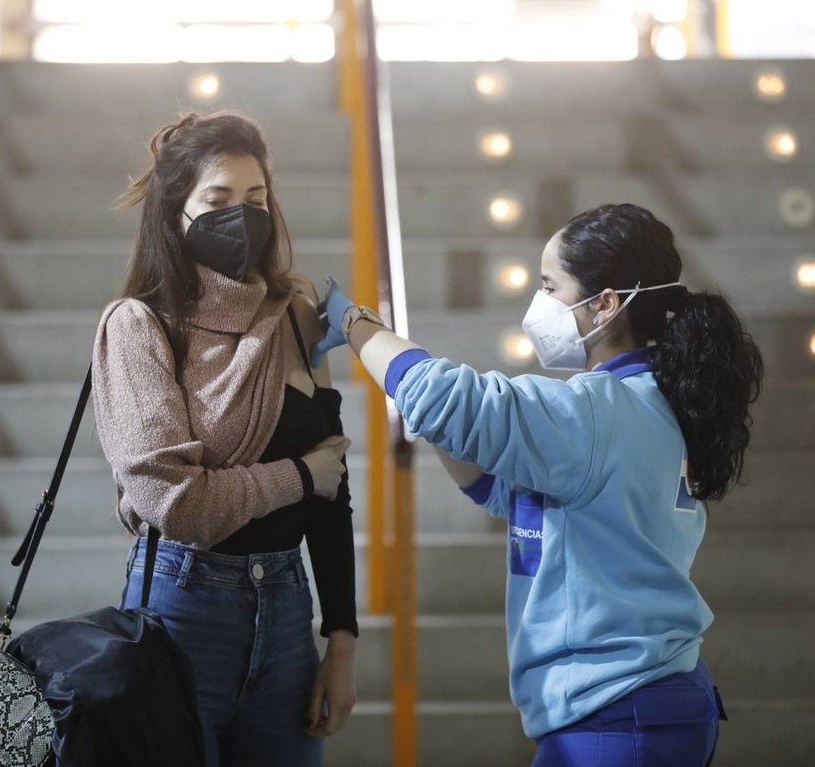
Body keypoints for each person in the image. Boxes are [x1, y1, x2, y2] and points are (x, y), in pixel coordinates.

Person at [313, 203, 763, 766]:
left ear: (605, 303)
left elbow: (444, 399)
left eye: (550, 286)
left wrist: (354, 322)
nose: (538, 302)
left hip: (618, 714)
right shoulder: (650, 401)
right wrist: (431, 411)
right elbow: (500, 489)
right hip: (641, 702)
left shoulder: (595, 412)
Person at [91, 110, 358, 767]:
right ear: (174, 209)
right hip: (184, 605)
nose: (241, 216)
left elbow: (333, 493)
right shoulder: (140, 326)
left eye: (256, 199)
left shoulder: (294, 315)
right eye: (217, 200)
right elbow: (179, 506)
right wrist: (298, 476)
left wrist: (342, 641)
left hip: (288, 609)